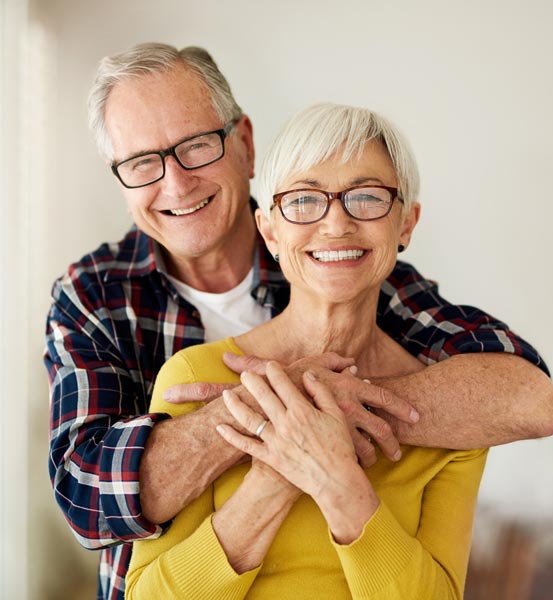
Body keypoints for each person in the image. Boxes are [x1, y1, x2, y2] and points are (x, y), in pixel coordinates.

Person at [44, 43, 553, 600]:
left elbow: (525, 394)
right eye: (142, 163)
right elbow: (88, 497)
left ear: (243, 143)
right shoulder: (97, 295)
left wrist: (321, 412)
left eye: (195, 145)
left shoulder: (346, 264)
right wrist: (272, 419)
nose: (176, 183)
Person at [126, 102, 491, 598]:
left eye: (366, 197)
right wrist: (277, 474)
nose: (336, 224)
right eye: (303, 200)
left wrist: (335, 477)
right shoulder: (193, 376)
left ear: (406, 224)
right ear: (270, 230)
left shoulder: (457, 417)